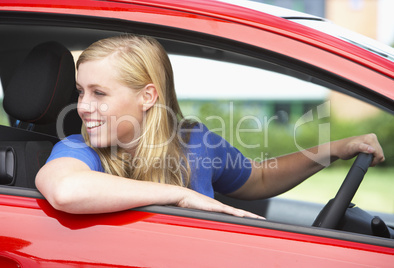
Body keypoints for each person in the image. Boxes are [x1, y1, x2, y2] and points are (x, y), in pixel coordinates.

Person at [36, 34, 385, 219]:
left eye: (99, 93)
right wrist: (180, 195)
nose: (82, 107)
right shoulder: (79, 150)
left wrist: (334, 149)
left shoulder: (196, 143)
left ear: (147, 96)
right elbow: (66, 191)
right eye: (81, 92)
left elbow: (259, 178)